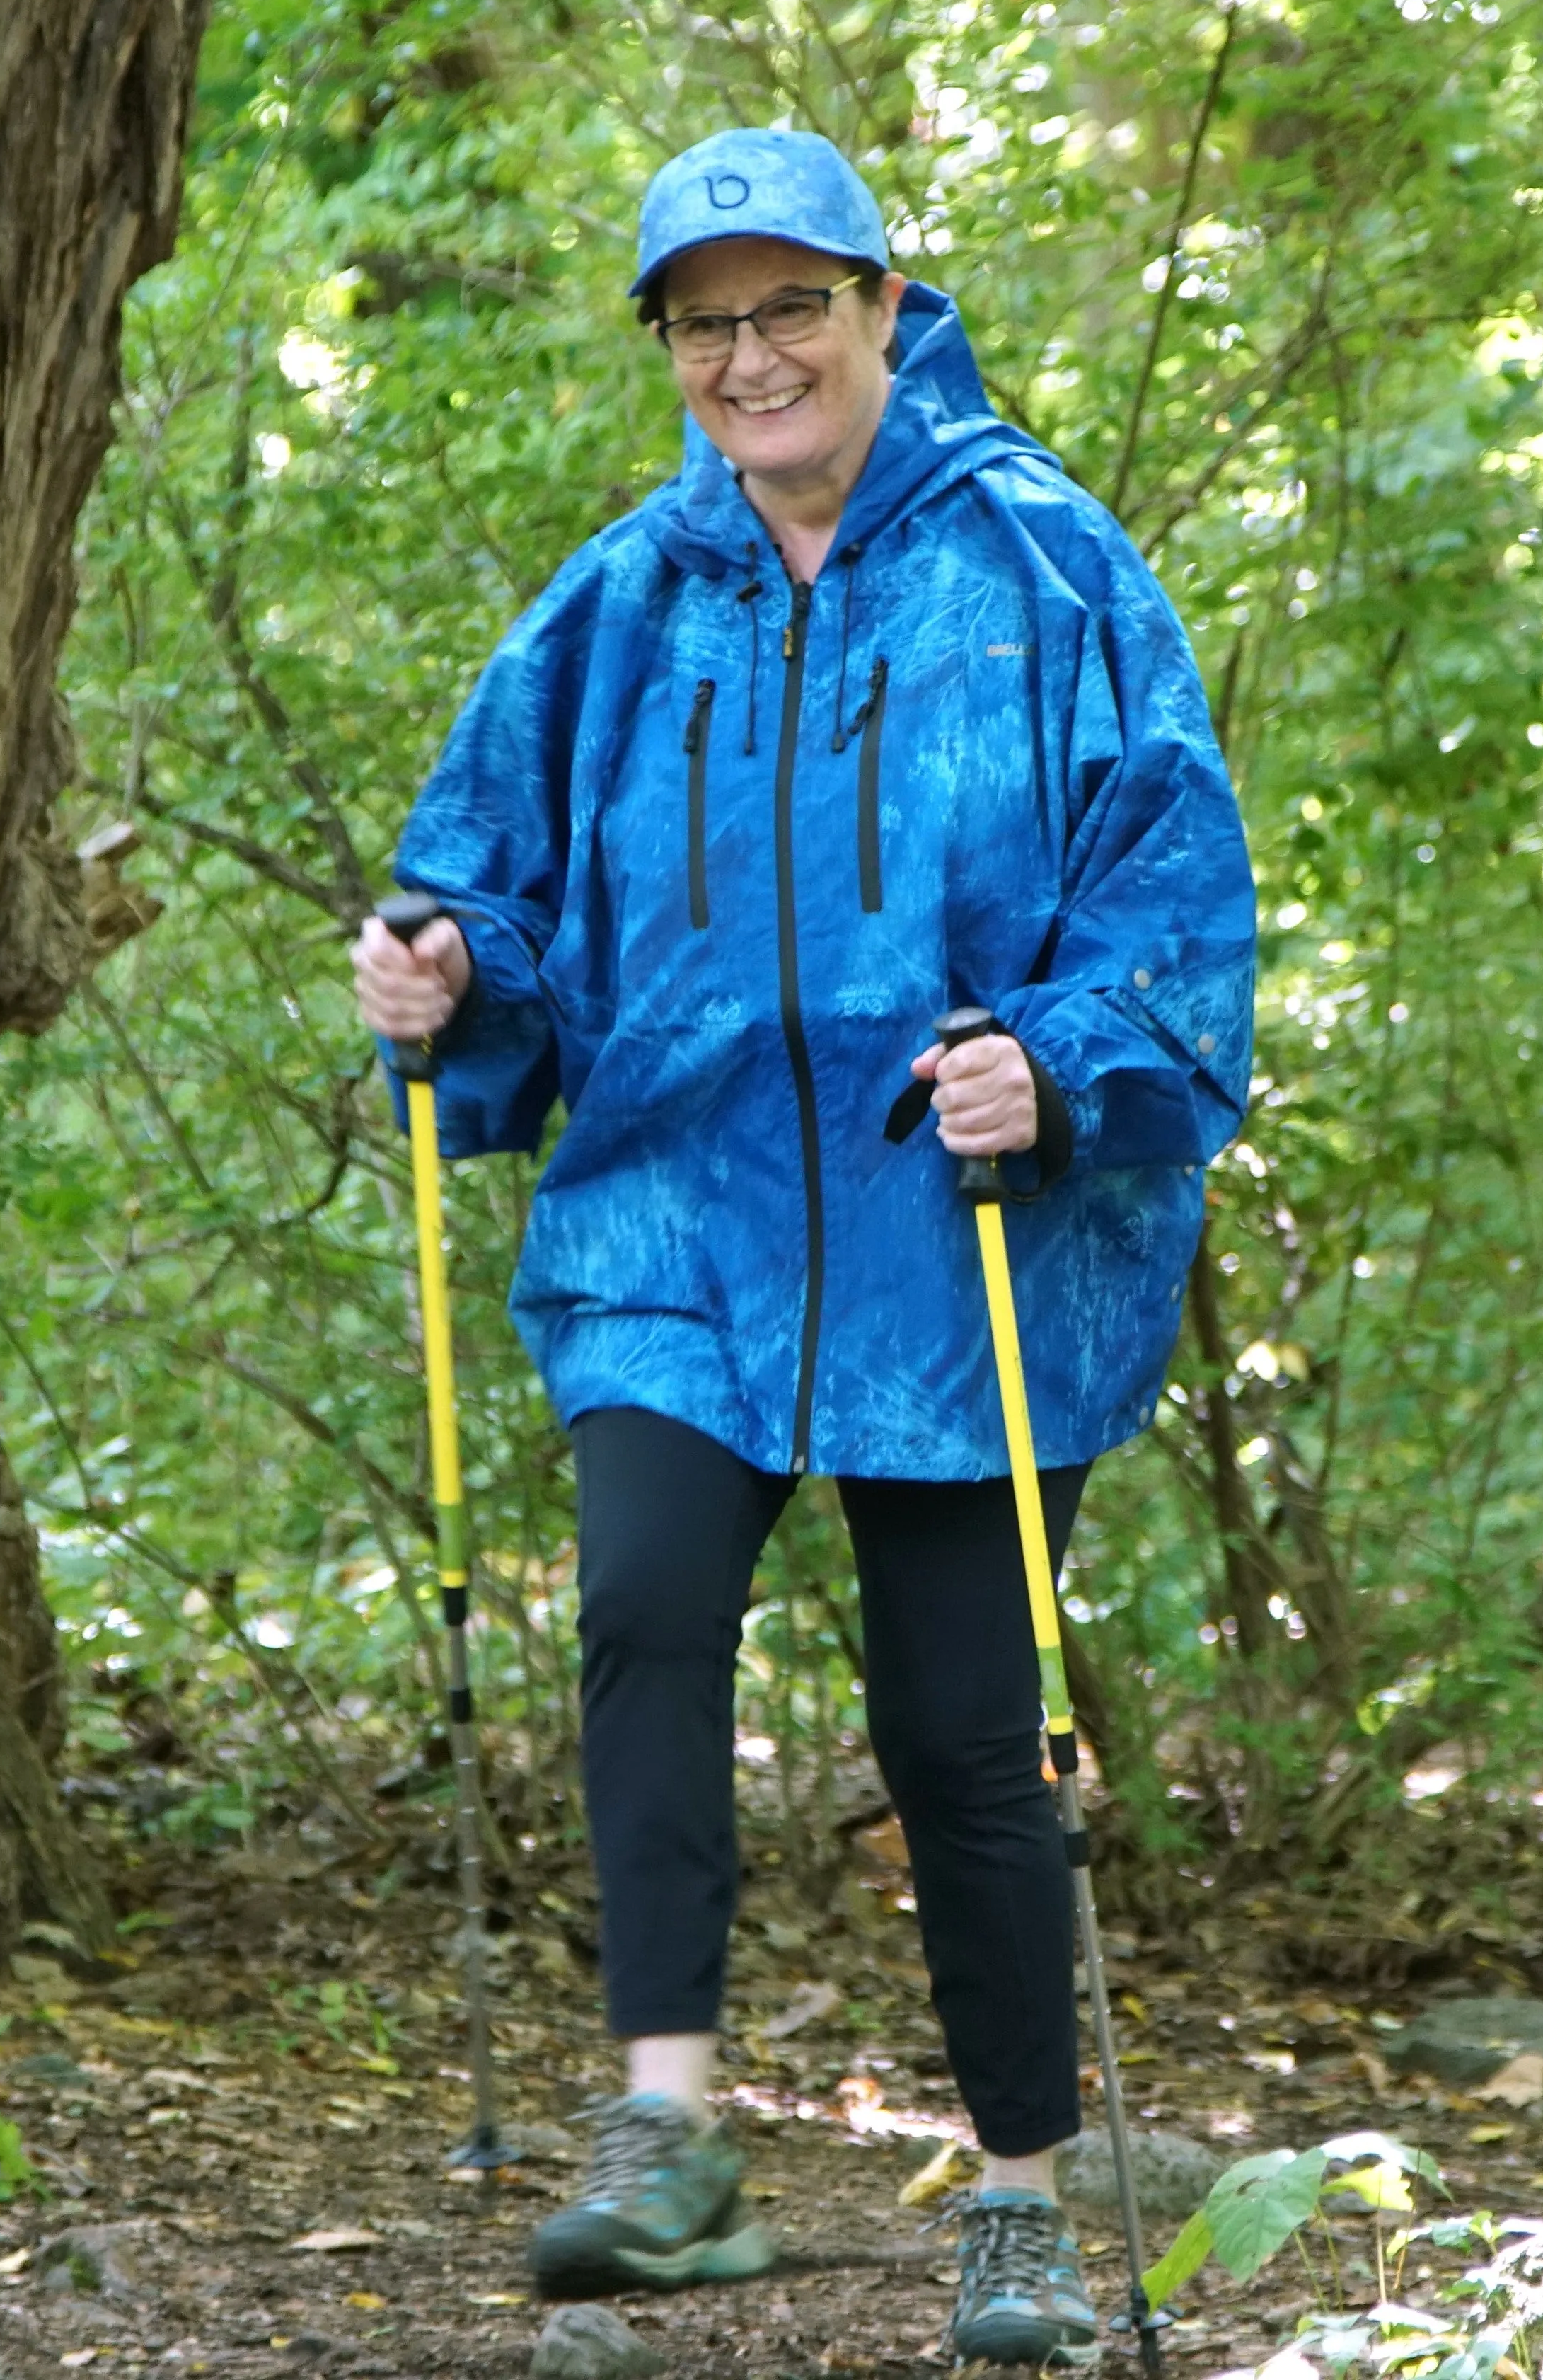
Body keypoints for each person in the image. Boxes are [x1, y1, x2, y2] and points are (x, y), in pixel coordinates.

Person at [352, 126, 1255, 2367]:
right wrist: (445, 974)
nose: (747, 359)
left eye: (787, 310)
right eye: (702, 323)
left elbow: (1177, 909)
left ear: (877, 304)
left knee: (962, 1729)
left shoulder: (1047, 566)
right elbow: (487, 893)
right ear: (666, 349)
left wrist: (1053, 1066)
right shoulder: (622, 595)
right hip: (676, 1207)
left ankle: (1024, 2208)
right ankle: (665, 2145)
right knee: (647, 1607)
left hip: (963, 1244)